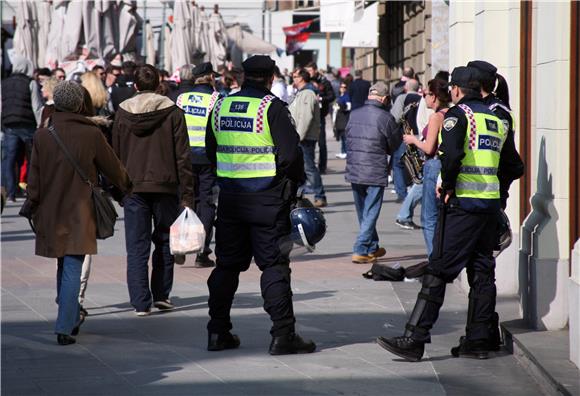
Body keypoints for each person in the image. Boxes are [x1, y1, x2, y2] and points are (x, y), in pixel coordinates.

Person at [376, 66, 508, 361]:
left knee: (438, 269)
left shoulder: (458, 117)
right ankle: (478, 340)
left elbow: (451, 158)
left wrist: (447, 186)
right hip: (488, 204)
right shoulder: (497, 119)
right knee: (482, 271)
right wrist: (501, 196)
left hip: (463, 203)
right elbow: (513, 164)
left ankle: (414, 338)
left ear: (457, 91)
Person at [205, 55, 315, 355]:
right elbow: (291, 156)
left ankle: (218, 332)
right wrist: (288, 183)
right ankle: (283, 335)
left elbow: (211, 150)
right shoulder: (272, 108)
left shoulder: (221, 106)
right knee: (274, 266)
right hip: (268, 200)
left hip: (230, 199)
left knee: (226, 266)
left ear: (242, 76)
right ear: (269, 78)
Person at [27, 81, 132, 345]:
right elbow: (113, 168)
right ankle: (66, 324)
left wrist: (32, 205)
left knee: (63, 262)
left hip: (51, 209)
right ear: (78, 104)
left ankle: (69, 314)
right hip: (80, 209)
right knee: (73, 263)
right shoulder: (91, 133)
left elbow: (34, 178)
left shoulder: (42, 135)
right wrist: (127, 185)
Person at [112, 64, 195, 316]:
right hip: (166, 185)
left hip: (133, 187)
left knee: (136, 247)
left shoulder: (122, 113)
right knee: (163, 241)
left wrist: (118, 190)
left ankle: (140, 301)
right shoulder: (173, 112)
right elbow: (183, 156)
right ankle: (161, 295)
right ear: (159, 83)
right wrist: (188, 194)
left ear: (135, 85)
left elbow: (114, 154)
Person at [345, 82, 401, 264]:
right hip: (375, 169)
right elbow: (395, 144)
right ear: (384, 99)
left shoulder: (354, 114)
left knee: (363, 211)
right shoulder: (385, 117)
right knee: (370, 211)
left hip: (355, 168)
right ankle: (360, 248)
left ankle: (372, 247)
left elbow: (347, 139)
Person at [175, 62, 222, 268]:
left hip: (184, 157)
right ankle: (202, 251)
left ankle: (181, 244)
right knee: (206, 202)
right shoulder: (216, 99)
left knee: (186, 199)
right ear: (210, 77)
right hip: (207, 158)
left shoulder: (181, 98)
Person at [402, 78, 451, 255]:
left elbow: (430, 147)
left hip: (434, 164)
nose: (424, 98)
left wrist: (413, 140)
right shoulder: (453, 113)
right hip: (446, 164)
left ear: (435, 96)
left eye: (426, 94)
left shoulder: (436, 117)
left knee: (428, 218)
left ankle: (434, 260)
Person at [1, 55, 43, 202]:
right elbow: (36, 106)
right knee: (32, 158)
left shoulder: (3, 83)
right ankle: (32, 190)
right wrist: (40, 125)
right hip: (28, 125)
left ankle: (10, 192)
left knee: (9, 159)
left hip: (9, 125)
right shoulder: (30, 83)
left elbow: (1, 106)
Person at [288, 68, 327, 208]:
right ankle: (300, 195)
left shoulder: (308, 93)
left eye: (295, 76)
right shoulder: (302, 93)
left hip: (304, 138)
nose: (293, 78)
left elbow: (305, 117)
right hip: (301, 137)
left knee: (309, 168)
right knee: (303, 168)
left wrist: (298, 137)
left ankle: (320, 196)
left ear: (301, 78)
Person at [390, 78, 421, 202]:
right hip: (419, 136)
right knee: (418, 164)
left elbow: (395, 117)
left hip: (405, 135)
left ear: (406, 88)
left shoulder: (402, 98)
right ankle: (417, 191)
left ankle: (402, 194)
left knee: (398, 163)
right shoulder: (422, 98)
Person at [305, 62, 335, 174]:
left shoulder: (324, 81)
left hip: (320, 116)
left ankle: (322, 167)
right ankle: (310, 165)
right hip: (309, 116)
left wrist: (321, 98)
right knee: (309, 143)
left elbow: (332, 96)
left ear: (315, 70)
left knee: (321, 143)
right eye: (307, 71)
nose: (308, 73)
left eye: (310, 71)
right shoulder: (306, 81)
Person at [333, 81, 351, 159]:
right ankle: (343, 151)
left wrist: (340, 108)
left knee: (344, 137)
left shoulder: (346, 97)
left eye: (344, 87)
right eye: (341, 87)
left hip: (344, 118)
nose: (343, 88)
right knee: (341, 136)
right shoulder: (340, 96)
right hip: (339, 118)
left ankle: (345, 152)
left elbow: (349, 107)